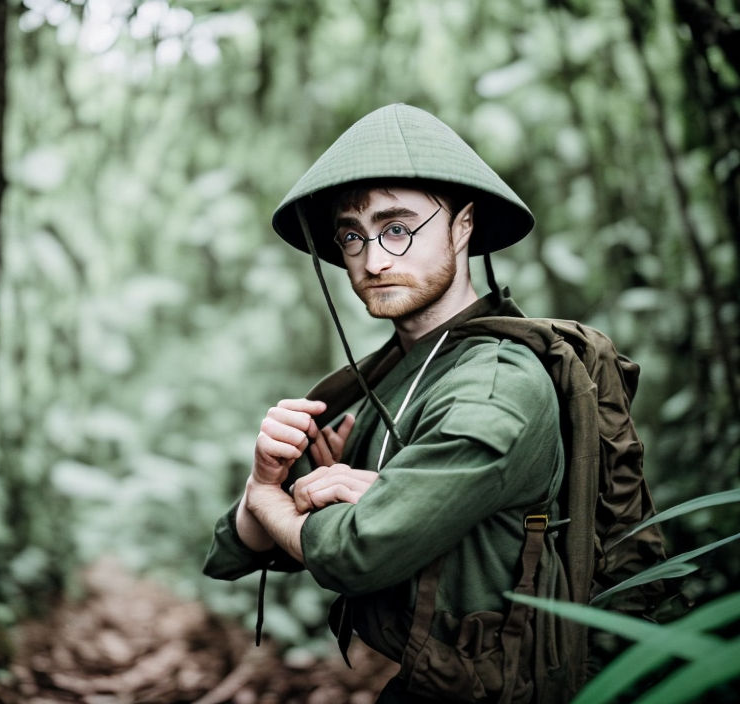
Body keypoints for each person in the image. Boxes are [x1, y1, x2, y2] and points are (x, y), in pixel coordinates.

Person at [203, 103, 565, 703]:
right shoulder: (391, 377)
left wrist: (277, 500)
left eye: (398, 228)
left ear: (463, 225)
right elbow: (235, 549)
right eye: (351, 235)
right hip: (426, 681)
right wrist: (266, 482)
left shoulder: (493, 387)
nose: (372, 261)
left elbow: (354, 551)